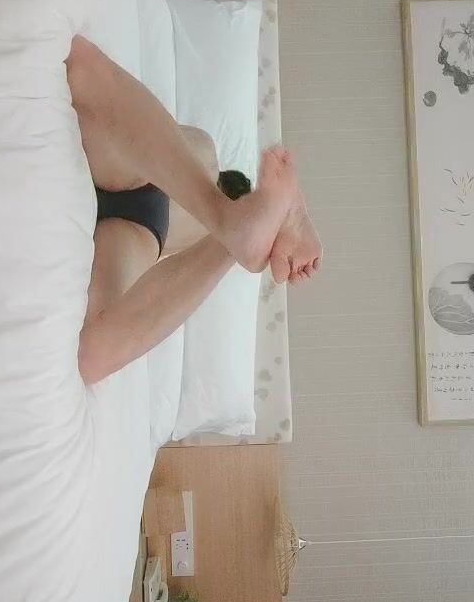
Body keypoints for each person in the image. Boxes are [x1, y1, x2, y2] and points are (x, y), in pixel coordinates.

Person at [67, 36, 322, 385]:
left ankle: (230, 227)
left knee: (83, 70)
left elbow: (118, 101)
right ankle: (228, 242)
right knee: (91, 358)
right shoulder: (199, 183)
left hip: (147, 174)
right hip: (145, 232)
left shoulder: (205, 151)